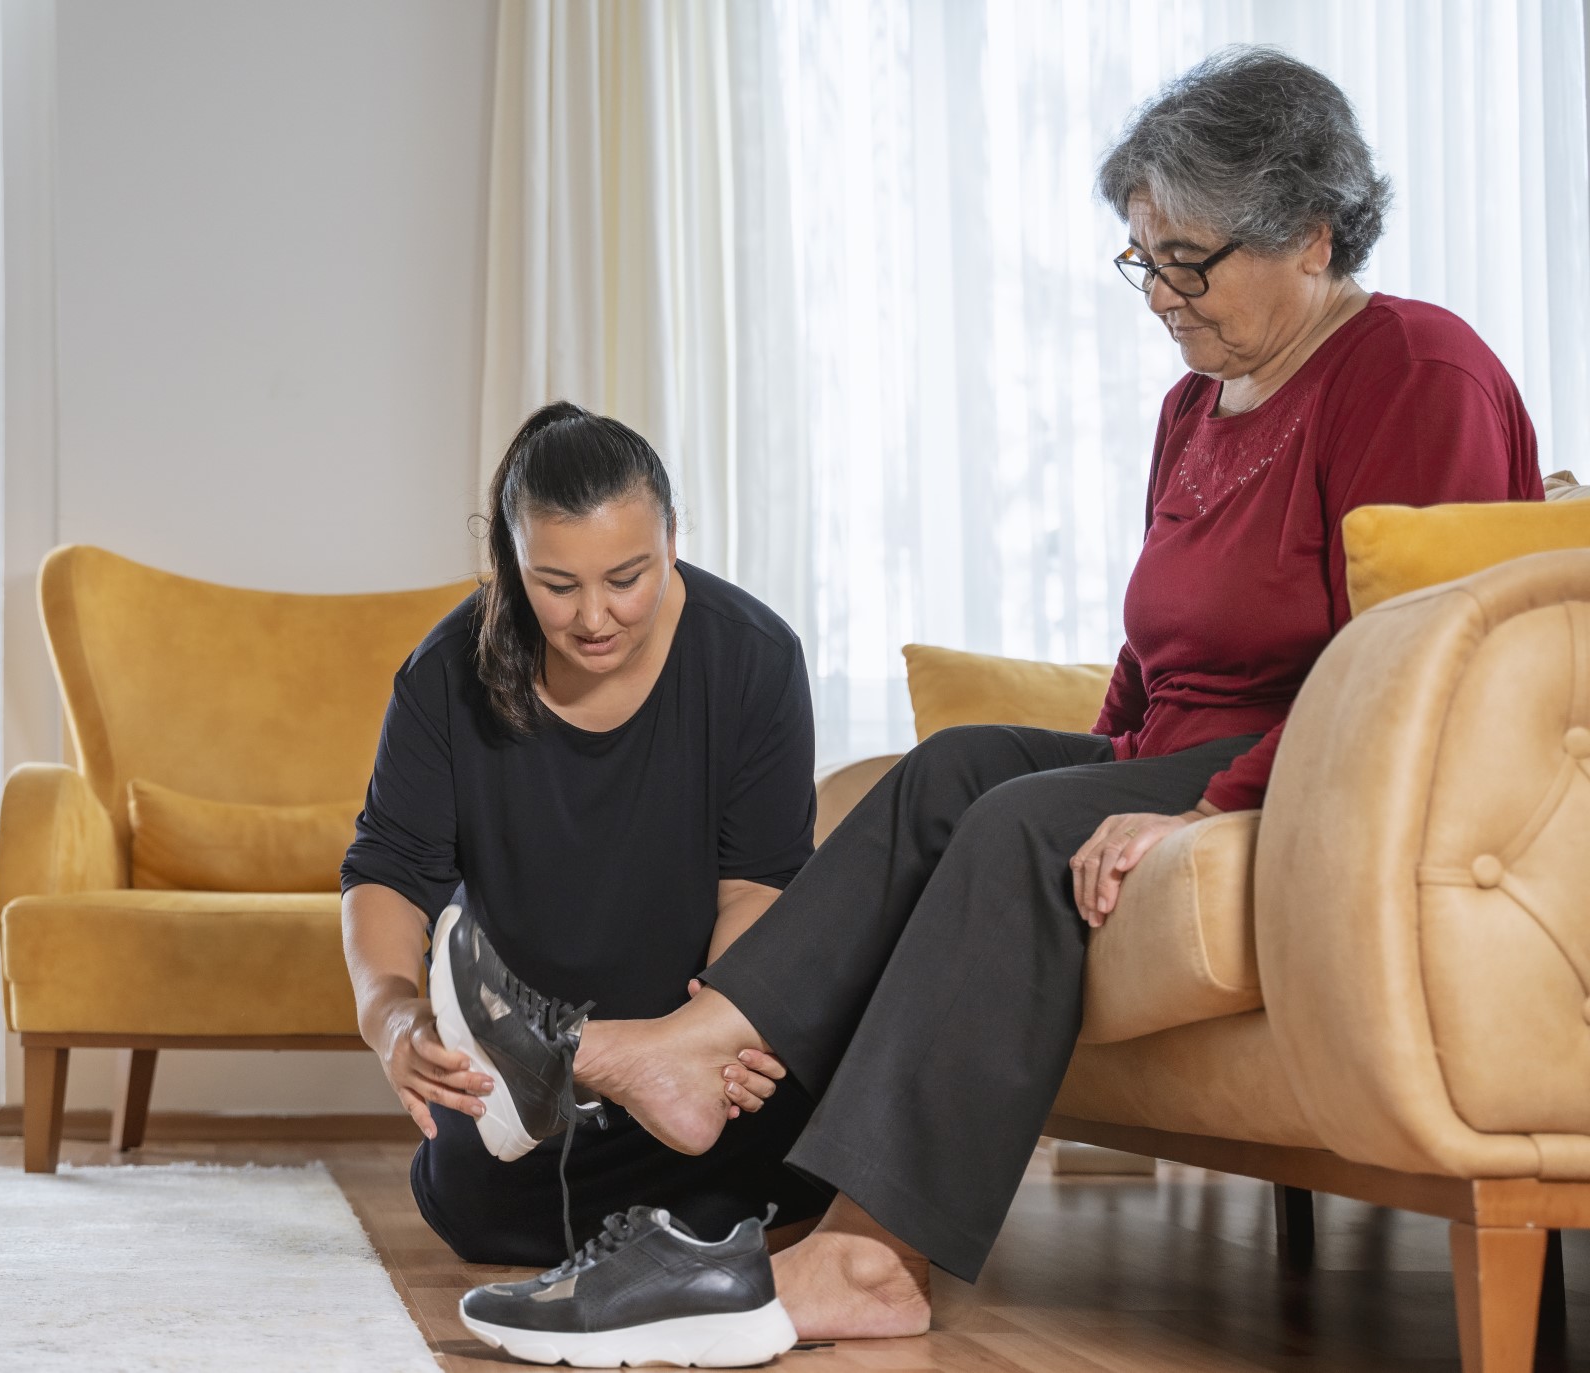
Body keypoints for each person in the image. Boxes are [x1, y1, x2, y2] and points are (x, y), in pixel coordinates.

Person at [457, 46, 1545, 1343]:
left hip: (1305, 768)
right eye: (1144, 257)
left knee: (1017, 831)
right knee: (960, 769)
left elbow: (1410, 668)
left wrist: (1209, 810)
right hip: (1192, 749)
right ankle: (700, 1045)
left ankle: (872, 1259)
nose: (1161, 294)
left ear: (1313, 236)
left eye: (1189, 259)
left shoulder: (1419, 374)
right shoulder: (1197, 403)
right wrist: (1102, 768)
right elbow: (1155, 652)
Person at [340, 401, 834, 1267]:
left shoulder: (755, 656)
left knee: (790, 1136)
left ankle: (673, 1137)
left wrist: (724, 1029)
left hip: (699, 1043)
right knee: (476, 1201)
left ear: (673, 538)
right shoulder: (443, 672)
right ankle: (673, 1203)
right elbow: (388, 868)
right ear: (511, 559)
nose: (595, 617)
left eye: (627, 577)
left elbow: (758, 881)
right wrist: (390, 1018)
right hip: (533, 1086)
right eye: (557, 585)